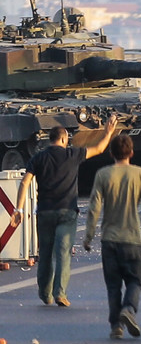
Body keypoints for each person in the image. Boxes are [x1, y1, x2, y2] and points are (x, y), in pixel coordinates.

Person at [11, 116, 118, 307]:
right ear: (62, 139)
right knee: (63, 252)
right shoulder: (72, 154)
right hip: (67, 212)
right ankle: (60, 293)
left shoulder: (38, 157)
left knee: (44, 253)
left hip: (44, 212)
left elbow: (25, 181)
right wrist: (108, 132)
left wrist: (18, 209)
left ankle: (45, 294)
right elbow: (100, 149)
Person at [82, 135, 141, 339]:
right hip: (132, 238)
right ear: (132, 152)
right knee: (135, 280)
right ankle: (129, 308)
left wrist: (89, 236)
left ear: (111, 153)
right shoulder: (140, 174)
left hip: (109, 239)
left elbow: (94, 208)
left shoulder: (103, 174)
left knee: (113, 285)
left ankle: (116, 326)